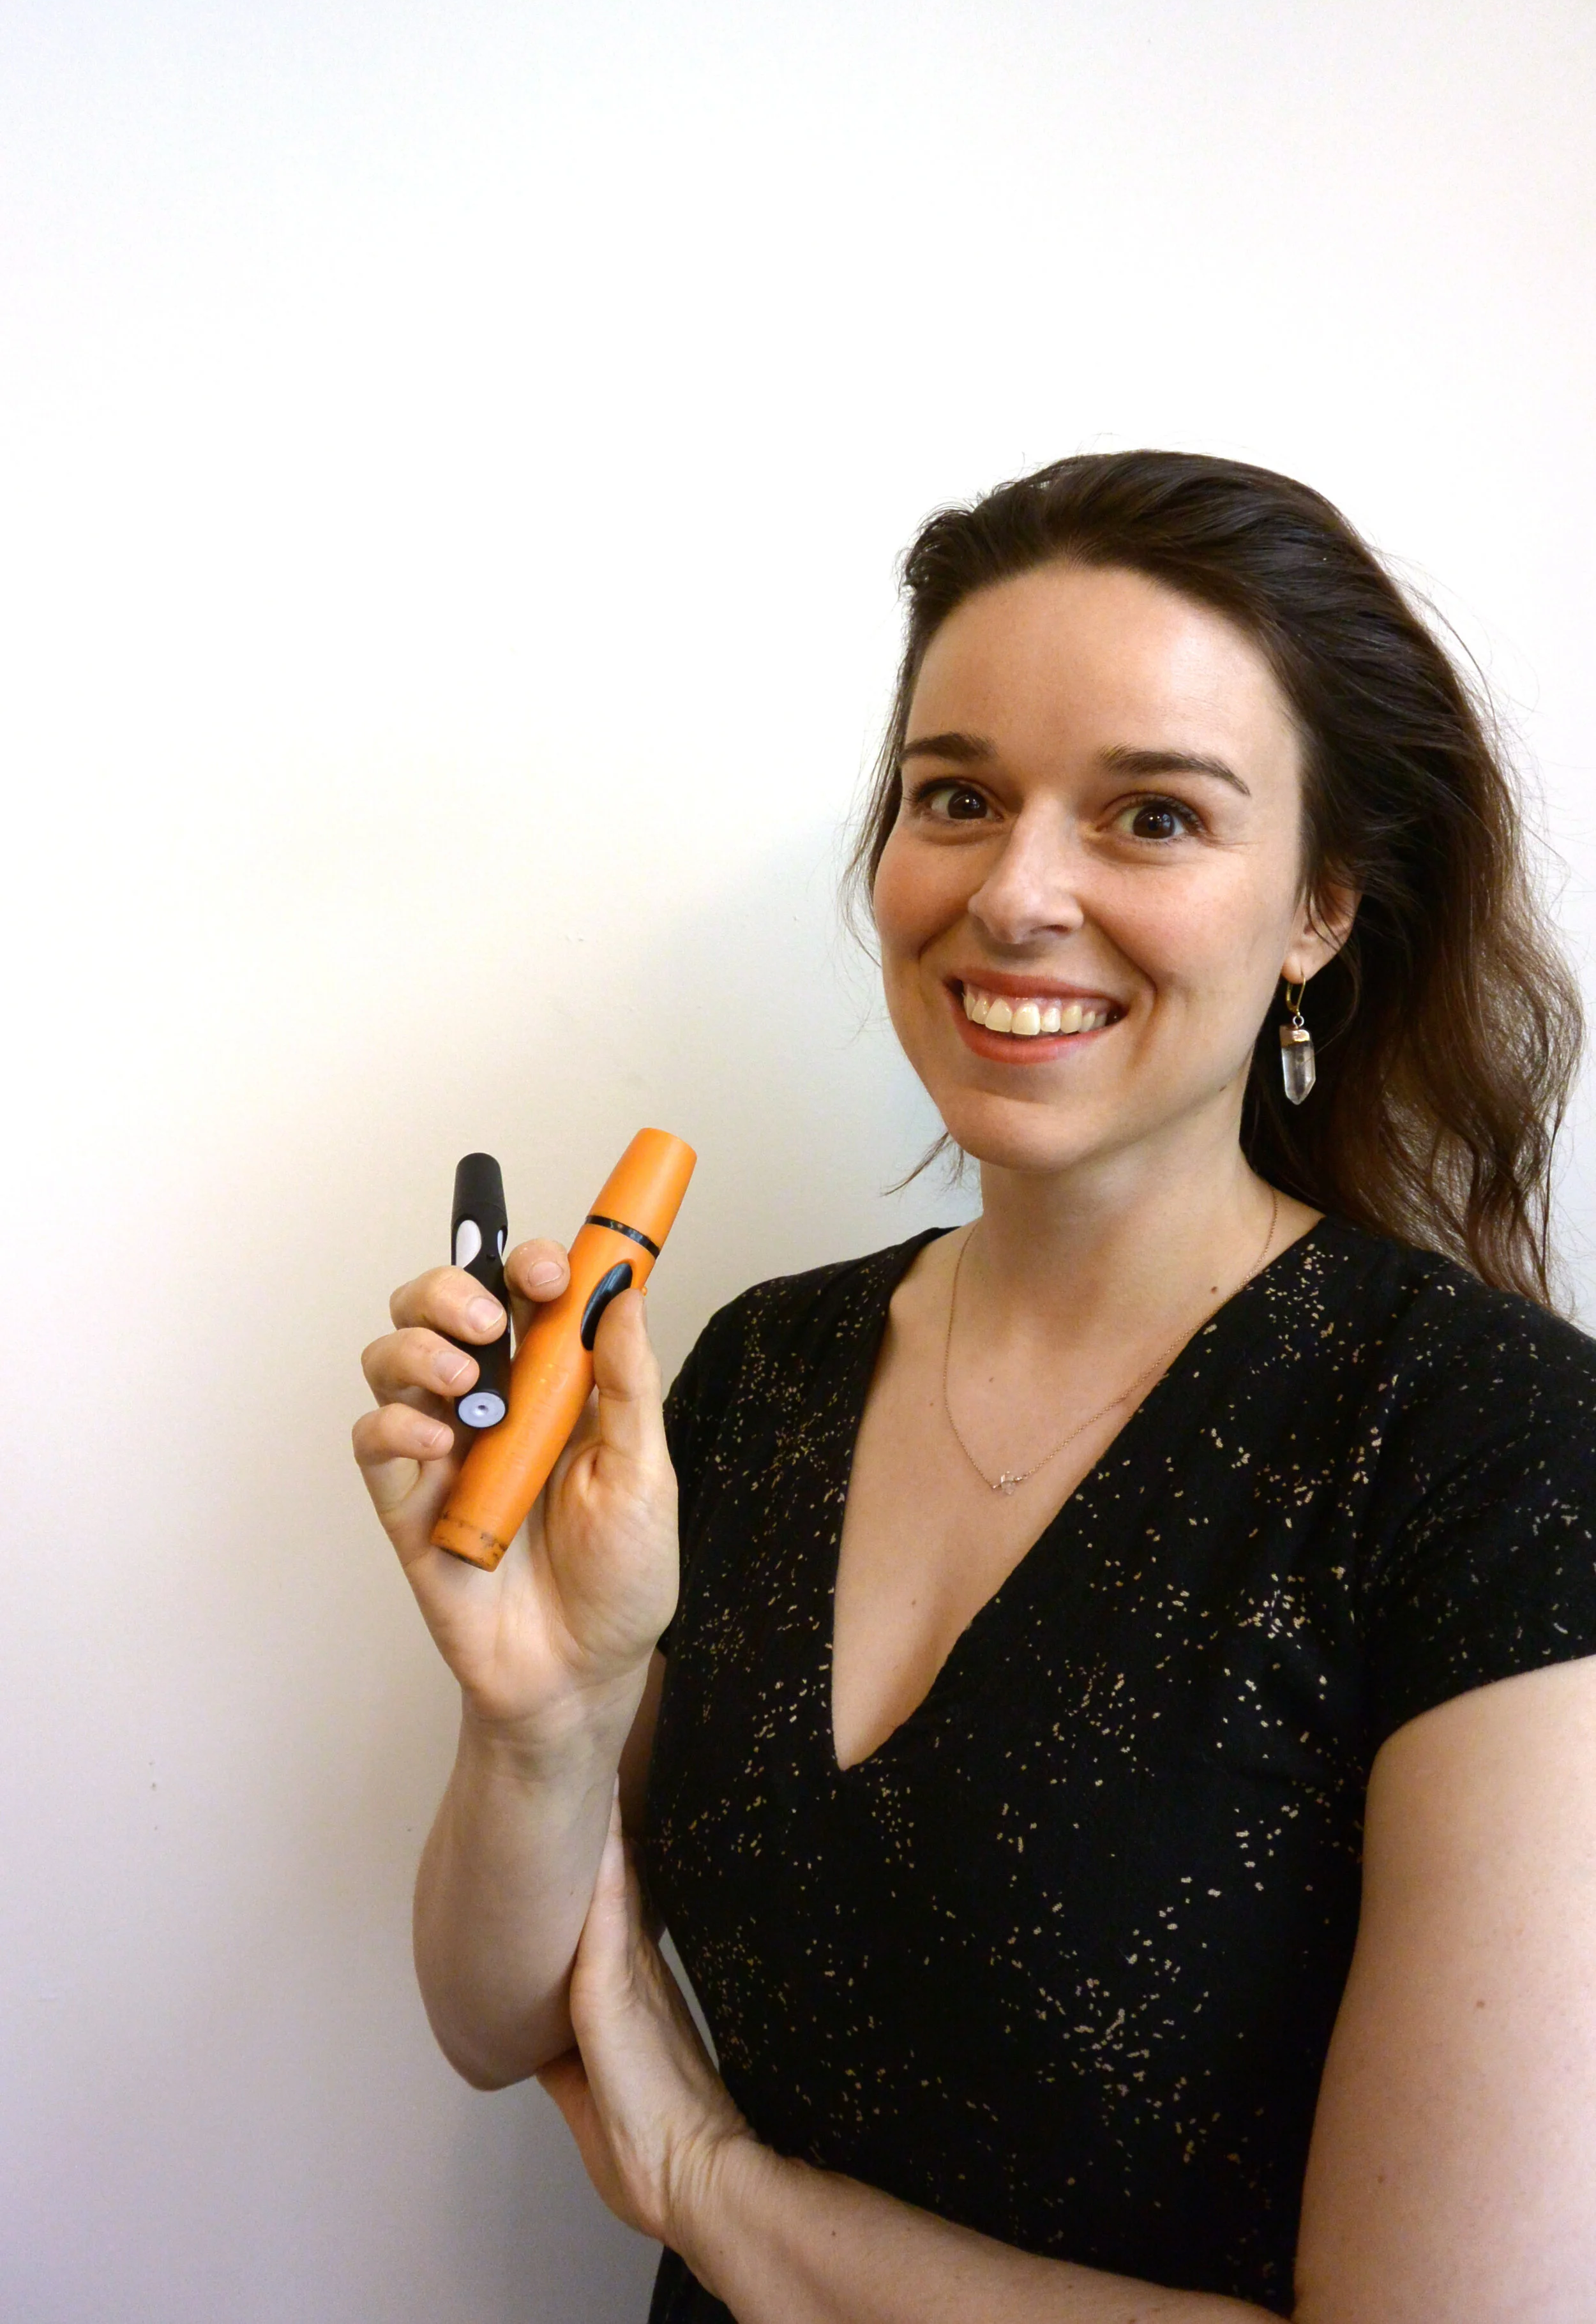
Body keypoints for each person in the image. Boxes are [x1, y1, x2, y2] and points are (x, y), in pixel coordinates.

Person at [353, 452, 1596, 2323]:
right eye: (956, 796)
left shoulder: (1491, 1450)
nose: (1013, 893)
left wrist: (711, 2187)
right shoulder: (763, 1366)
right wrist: (538, 1707)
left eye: (1151, 817)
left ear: (1322, 903)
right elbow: (497, 2016)